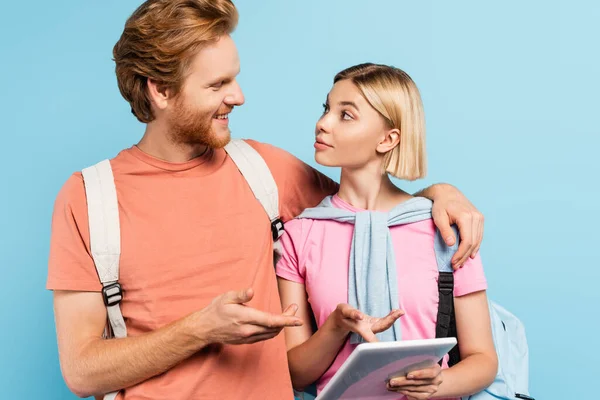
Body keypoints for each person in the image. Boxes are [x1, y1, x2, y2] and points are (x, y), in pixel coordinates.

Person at [47, 1, 485, 399]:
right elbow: (82, 372)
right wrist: (200, 329)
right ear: (160, 90)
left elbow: (366, 206)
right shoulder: (90, 198)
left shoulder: (264, 170)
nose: (238, 96)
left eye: (235, 77)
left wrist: (438, 195)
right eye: (218, 84)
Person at [276, 63, 497, 400]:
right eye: (326, 108)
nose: (323, 123)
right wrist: (335, 328)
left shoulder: (445, 229)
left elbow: (483, 359)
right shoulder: (299, 235)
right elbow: (296, 373)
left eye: (345, 115)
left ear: (387, 139)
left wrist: (438, 384)